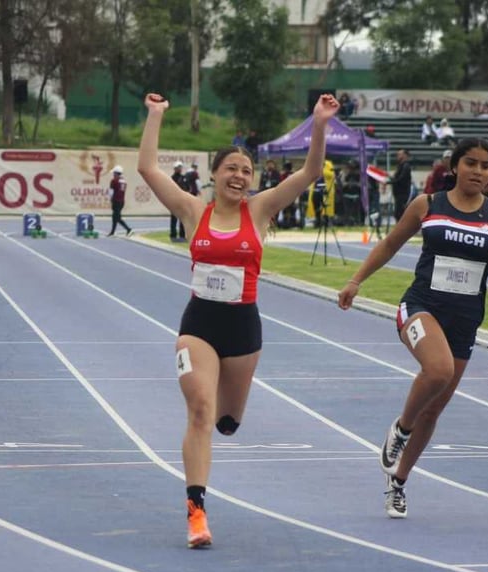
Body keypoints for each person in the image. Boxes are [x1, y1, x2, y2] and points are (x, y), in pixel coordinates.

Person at [137, 91, 339, 547]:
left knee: (227, 420)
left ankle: (228, 422)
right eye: (231, 168)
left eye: (246, 171)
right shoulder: (193, 211)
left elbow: (308, 173)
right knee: (201, 412)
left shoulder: (260, 210)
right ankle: (196, 513)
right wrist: (155, 116)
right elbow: (148, 169)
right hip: (199, 327)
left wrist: (319, 122)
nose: (239, 176)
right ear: (214, 174)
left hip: (243, 330)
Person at [337, 138, 488, 518]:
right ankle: (400, 428)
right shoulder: (428, 204)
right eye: (471, 163)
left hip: (465, 320)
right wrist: (356, 280)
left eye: (485, 166)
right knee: (438, 370)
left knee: (436, 408)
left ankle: (398, 482)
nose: (478, 171)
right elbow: (391, 243)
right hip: (421, 307)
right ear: (454, 166)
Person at [107, 165, 133, 236]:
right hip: (121, 201)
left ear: (116, 173)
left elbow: (111, 192)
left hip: (116, 201)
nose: (113, 174)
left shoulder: (114, 181)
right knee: (114, 217)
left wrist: (110, 199)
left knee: (117, 217)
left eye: (114, 173)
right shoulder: (124, 181)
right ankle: (112, 232)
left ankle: (128, 229)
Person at [390, 149, 413, 221]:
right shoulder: (400, 166)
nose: (397, 156)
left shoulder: (406, 166)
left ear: (405, 155)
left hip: (403, 193)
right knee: (398, 212)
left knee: (400, 213)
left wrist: (390, 182)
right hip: (398, 193)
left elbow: (401, 179)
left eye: (400, 154)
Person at [169, 161, 190, 241]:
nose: (180, 169)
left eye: (180, 167)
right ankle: (173, 236)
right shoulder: (172, 178)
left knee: (183, 219)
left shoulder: (184, 177)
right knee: (174, 219)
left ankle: (182, 235)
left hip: (182, 201)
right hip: (174, 200)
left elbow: (187, 187)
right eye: (178, 167)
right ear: (175, 169)